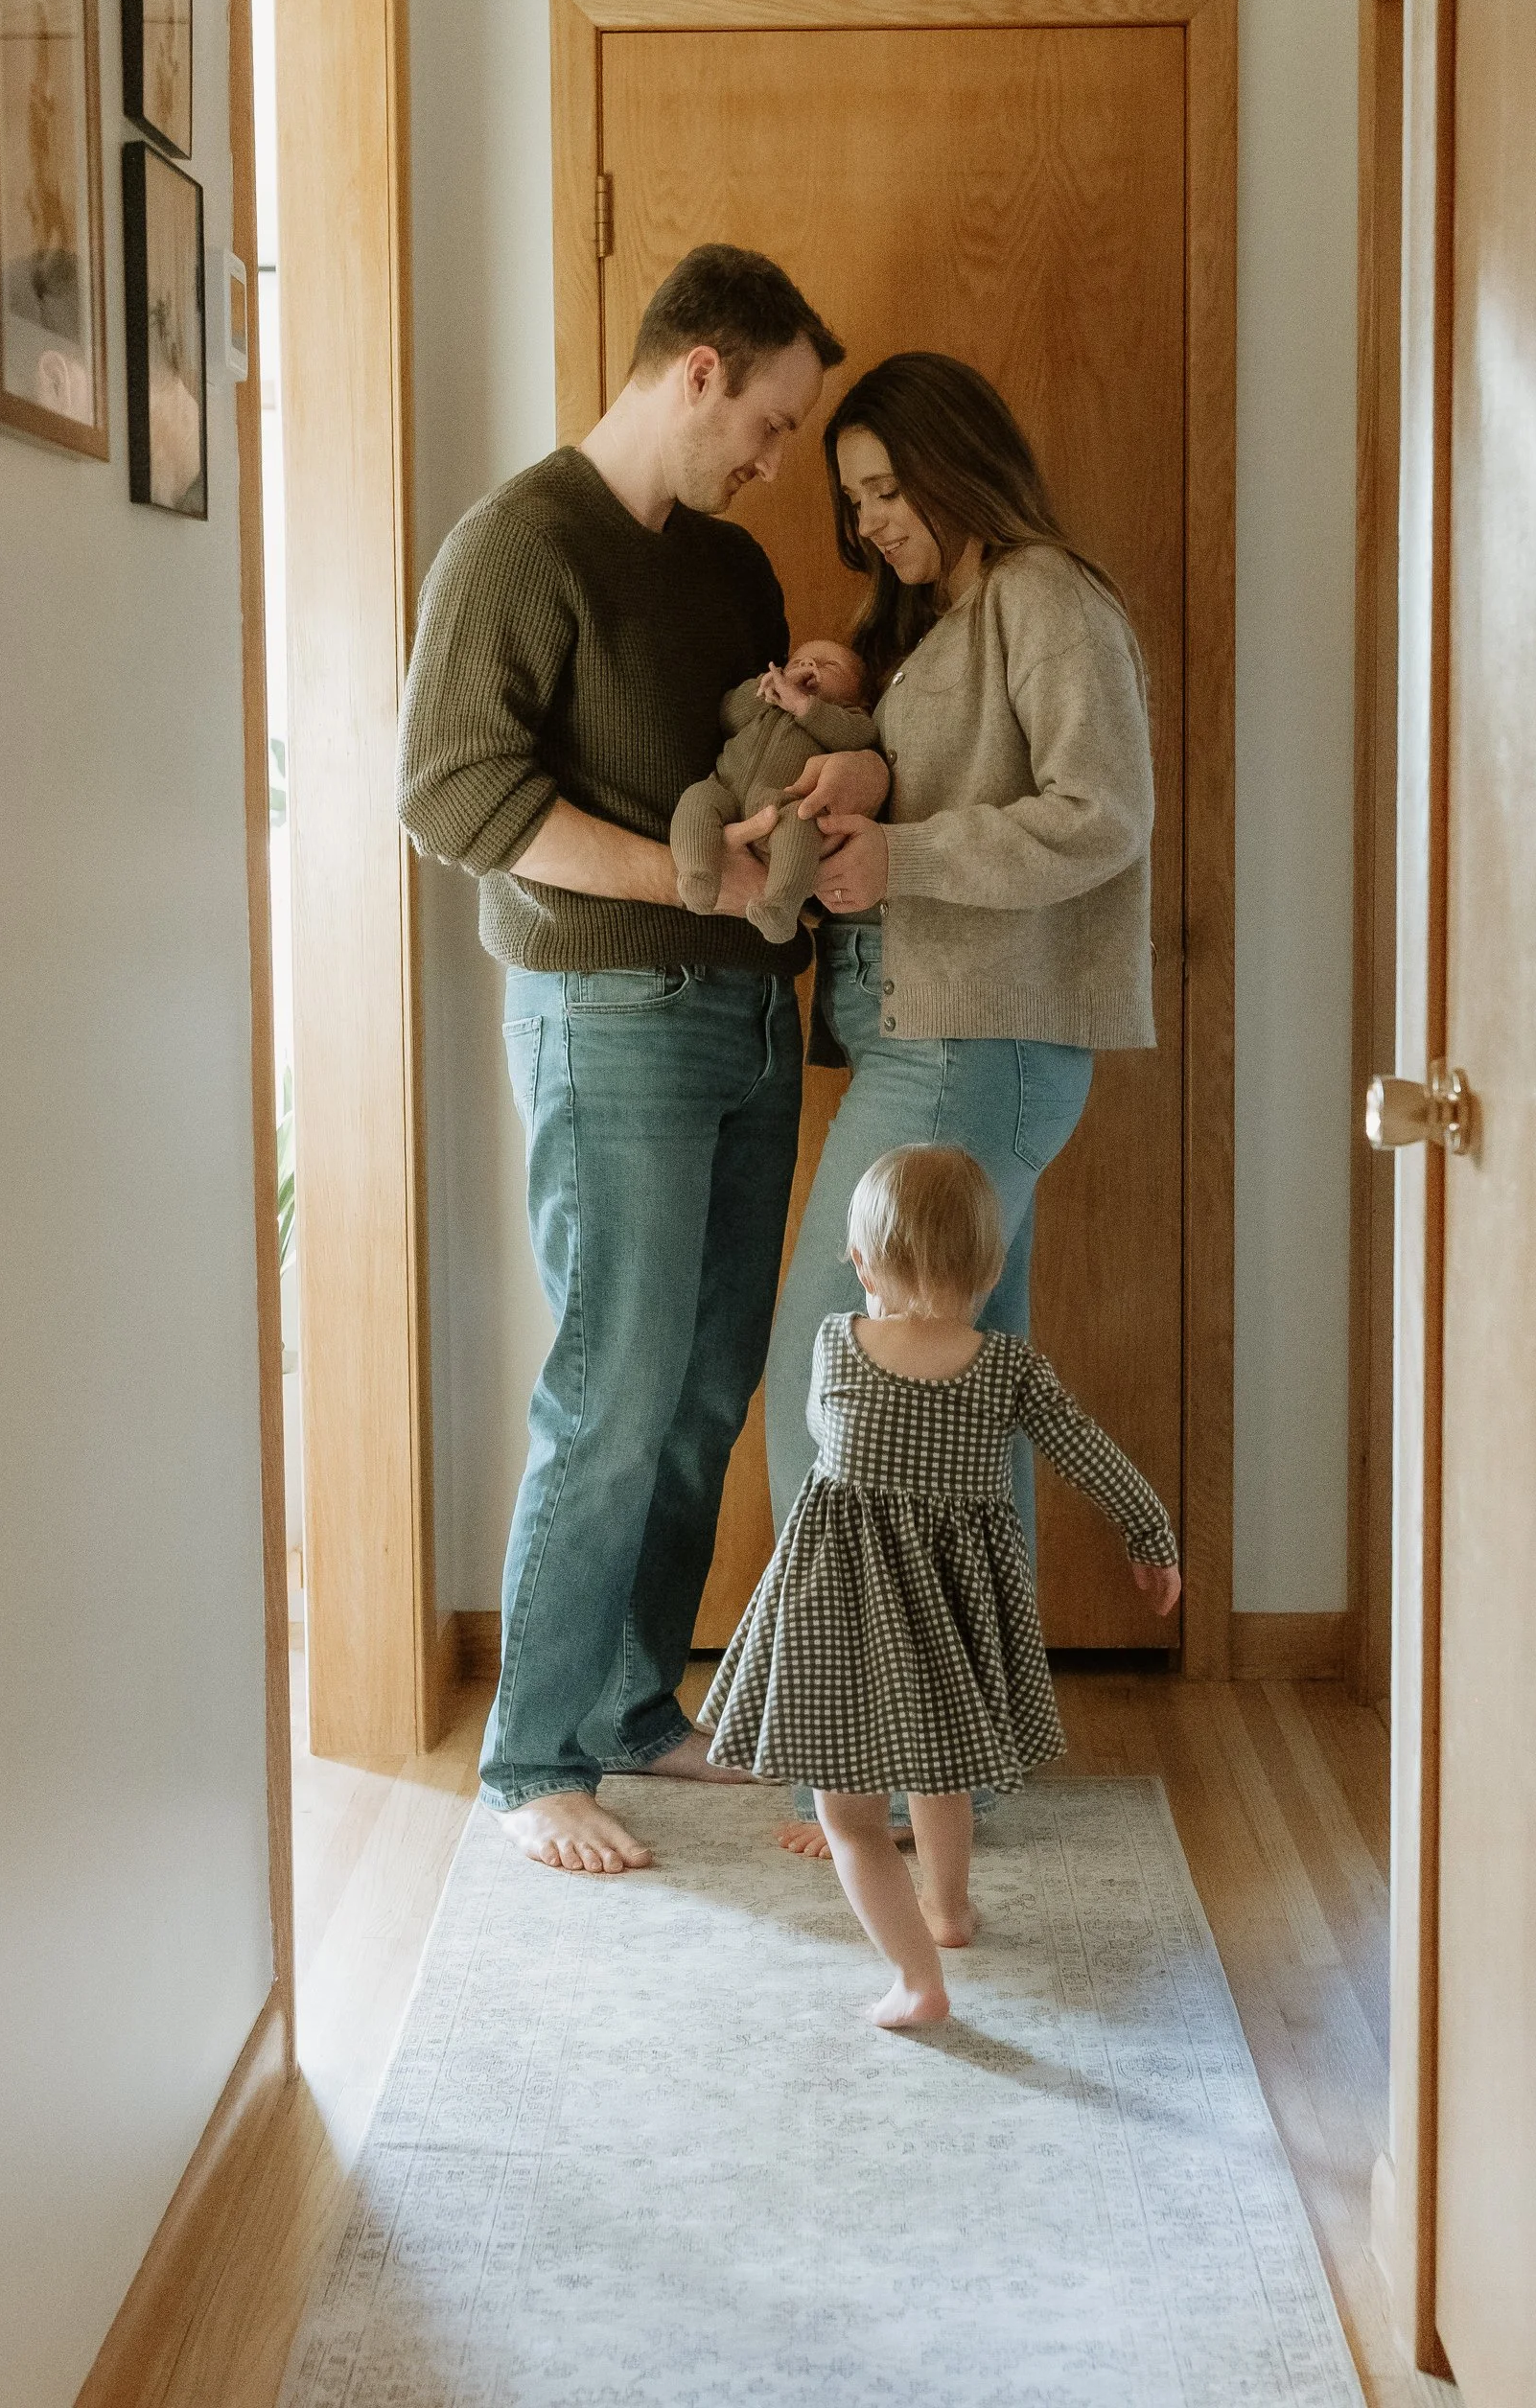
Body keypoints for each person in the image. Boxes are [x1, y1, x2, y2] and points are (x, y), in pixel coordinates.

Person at [398, 243, 847, 1876]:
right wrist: (687, 880)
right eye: (774, 421)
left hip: (748, 1015)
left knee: (707, 1387)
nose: (776, 460)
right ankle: (530, 1759)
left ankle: (634, 1704)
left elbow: (748, 751)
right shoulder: (517, 544)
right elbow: (450, 793)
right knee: (611, 1390)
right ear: (699, 369)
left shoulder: (728, 569)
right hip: (609, 1017)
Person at [755, 353, 1158, 1856]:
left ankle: (854, 1763)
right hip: (945, 1046)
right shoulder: (947, 621)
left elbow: (1102, 813)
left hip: (973, 1053)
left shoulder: (1044, 598)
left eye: (884, 489)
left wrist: (903, 856)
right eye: (852, 500)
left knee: (838, 1380)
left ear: (953, 464)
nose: (870, 523)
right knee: (953, 1416)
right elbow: (949, 785)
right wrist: (853, 752)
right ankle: (958, 1768)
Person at [699, 1145, 1180, 2027]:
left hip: (845, 1607)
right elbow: (1091, 1454)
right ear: (992, 1268)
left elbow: (823, 1436)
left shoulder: (836, 1345)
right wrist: (1151, 1535)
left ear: (860, 1262)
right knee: (942, 1765)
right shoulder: (1010, 1370)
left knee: (850, 1821)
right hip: (957, 1609)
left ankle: (918, 1981)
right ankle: (949, 1911)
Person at [670, 641, 877, 943]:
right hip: (724, 789)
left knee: (802, 824)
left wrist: (804, 706)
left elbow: (859, 737)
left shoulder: (848, 716)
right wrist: (765, 689)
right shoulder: (766, 700)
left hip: (782, 805)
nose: (809, 665)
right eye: (799, 661)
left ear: (861, 699)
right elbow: (729, 714)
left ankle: (780, 907)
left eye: (829, 665)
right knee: (695, 798)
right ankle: (698, 873)